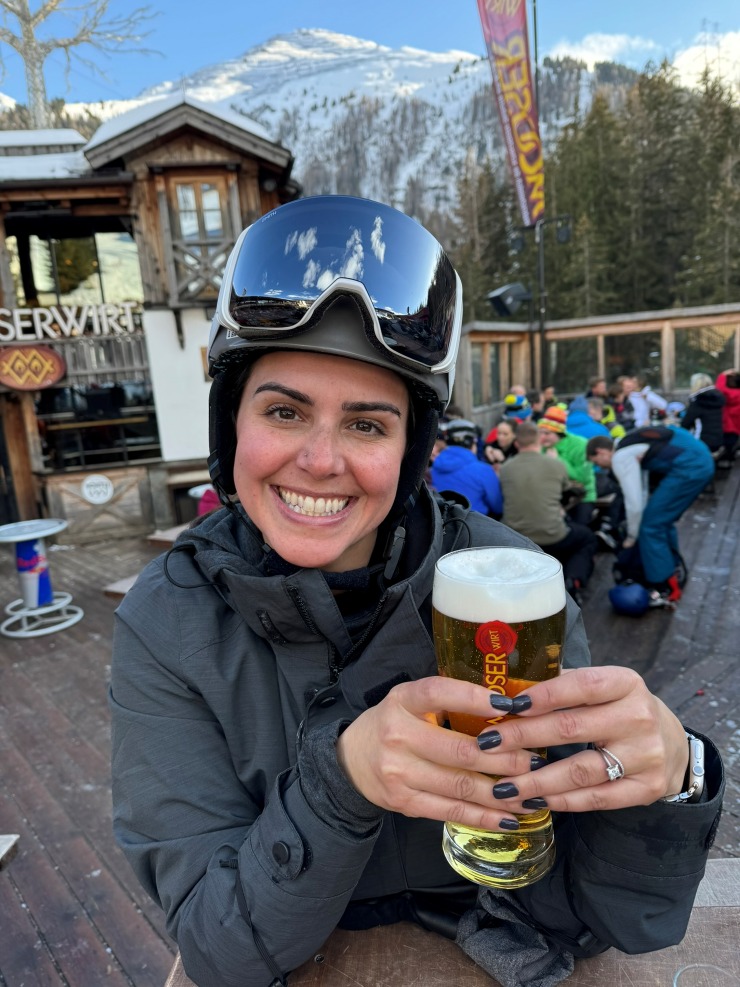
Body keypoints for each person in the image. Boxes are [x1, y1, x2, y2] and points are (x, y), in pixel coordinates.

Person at [110, 195, 722, 987]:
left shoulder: (513, 584)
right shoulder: (168, 615)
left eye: (367, 424)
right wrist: (344, 777)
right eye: (285, 410)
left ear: (410, 450)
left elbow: (595, 915)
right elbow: (215, 947)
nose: (321, 459)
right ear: (231, 426)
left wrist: (667, 784)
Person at [586, 427, 715, 605]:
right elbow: (643, 489)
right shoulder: (630, 442)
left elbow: (634, 504)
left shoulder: (620, 457)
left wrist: (631, 537)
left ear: (601, 452)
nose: (598, 467)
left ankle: (662, 586)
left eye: (596, 461)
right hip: (701, 459)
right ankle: (672, 569)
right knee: (661, 521)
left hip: (690, 467)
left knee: (650, 527)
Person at [499, 421, 598, 604]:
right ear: (539, 440)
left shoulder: (505, 469)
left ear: (516, 443)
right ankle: (573, 581)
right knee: (587, 538)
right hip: (553, 537)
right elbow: (565, 492)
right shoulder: (556, 465)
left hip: (516, 539)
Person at [538, 406, 597, 527]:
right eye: (540, 433)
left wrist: (558, 461)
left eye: (547, 433)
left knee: (578, 529)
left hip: (581, 497)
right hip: (551, 497)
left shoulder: (581, 445)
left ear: (559, 433)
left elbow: (583, 478)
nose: (542, 437)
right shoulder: (540, 446)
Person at [431, 418, 503, 517]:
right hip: (475, 527)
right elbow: (498, 507)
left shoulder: (435, 468)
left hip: (443, 526)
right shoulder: (484, 470)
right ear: (470, 443)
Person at [680, 373, 725, 454]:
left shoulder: (698, 401)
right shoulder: (718, 399)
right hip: (718, 441)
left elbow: (685, 424)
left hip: (701, 442)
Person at [716, 368, 740, 465]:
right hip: (737, 424)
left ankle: (727, 460)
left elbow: (719, 389)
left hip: (727, 424)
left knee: (727, 444)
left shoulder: (728, 393)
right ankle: (731, 457)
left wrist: (722, 375)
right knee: (733, 443)